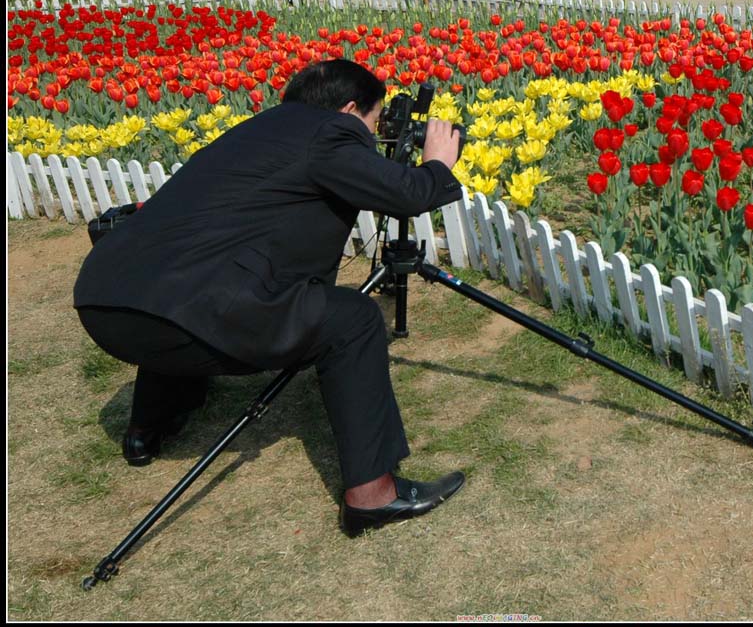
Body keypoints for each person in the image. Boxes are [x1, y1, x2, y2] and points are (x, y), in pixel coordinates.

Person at [73, 60, 467, 537]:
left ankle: (146, 431)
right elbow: (406, 195)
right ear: (348, 109)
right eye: (374, 120)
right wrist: (437, 163)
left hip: (106, 302)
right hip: (186, 316)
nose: (374, 134)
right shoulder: (331, 132)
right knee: (356, 319)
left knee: (186, 286)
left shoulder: (254, 130)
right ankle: (373, 496)